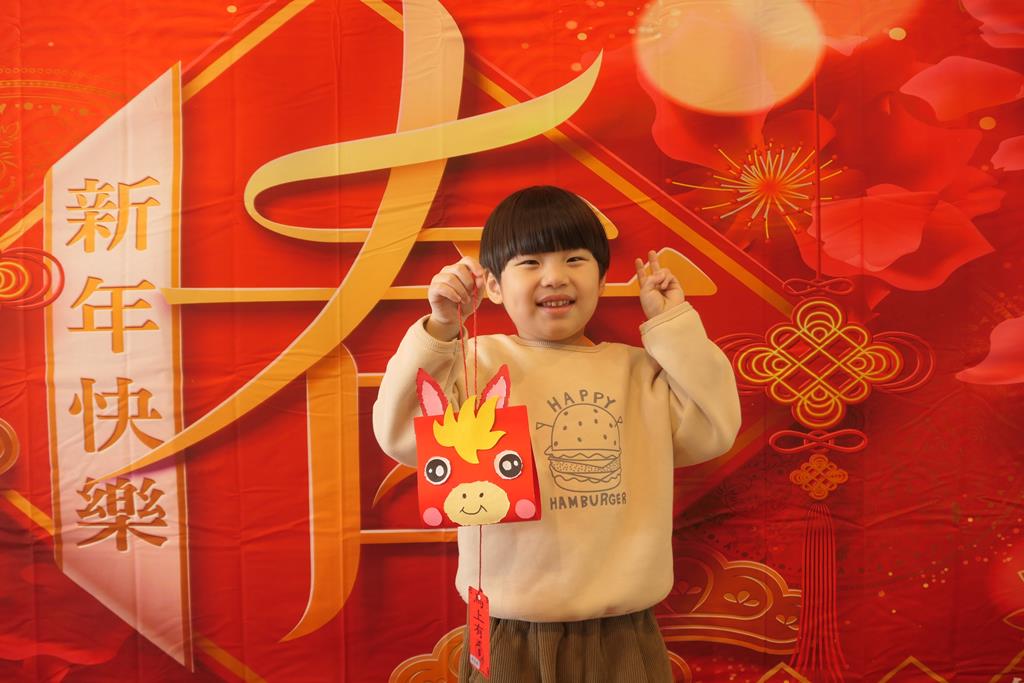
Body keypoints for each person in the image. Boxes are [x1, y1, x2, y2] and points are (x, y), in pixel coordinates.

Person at [372, 185, 741, 682]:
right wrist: (440, 329)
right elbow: (402, 434)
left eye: (575, 258)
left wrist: (671, 323)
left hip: (624, 631)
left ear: (602, 278)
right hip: (508, 629)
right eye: (530, 262)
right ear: (493, 285)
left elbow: (714, 428)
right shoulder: (475, 364)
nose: (554, 276)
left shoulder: (639, 373)